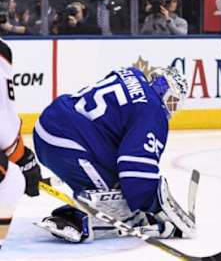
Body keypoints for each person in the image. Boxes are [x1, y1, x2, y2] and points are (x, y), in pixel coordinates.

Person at [33, 66, 195, 243]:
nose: (171, 107)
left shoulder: (131, 74)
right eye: (172, 100)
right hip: (68, 144)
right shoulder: (153, 111)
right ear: (164, 92)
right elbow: (135, 173)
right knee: (124, 207)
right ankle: (78, 218)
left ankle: (86, 203)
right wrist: (155, 206)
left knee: (122, 184)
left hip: (47, 126)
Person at [0, 39, 42, 248]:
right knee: (12, 181)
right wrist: (19, 157)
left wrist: (21, 156)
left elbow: (4, 113)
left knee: (12, 180)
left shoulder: (4, 52)